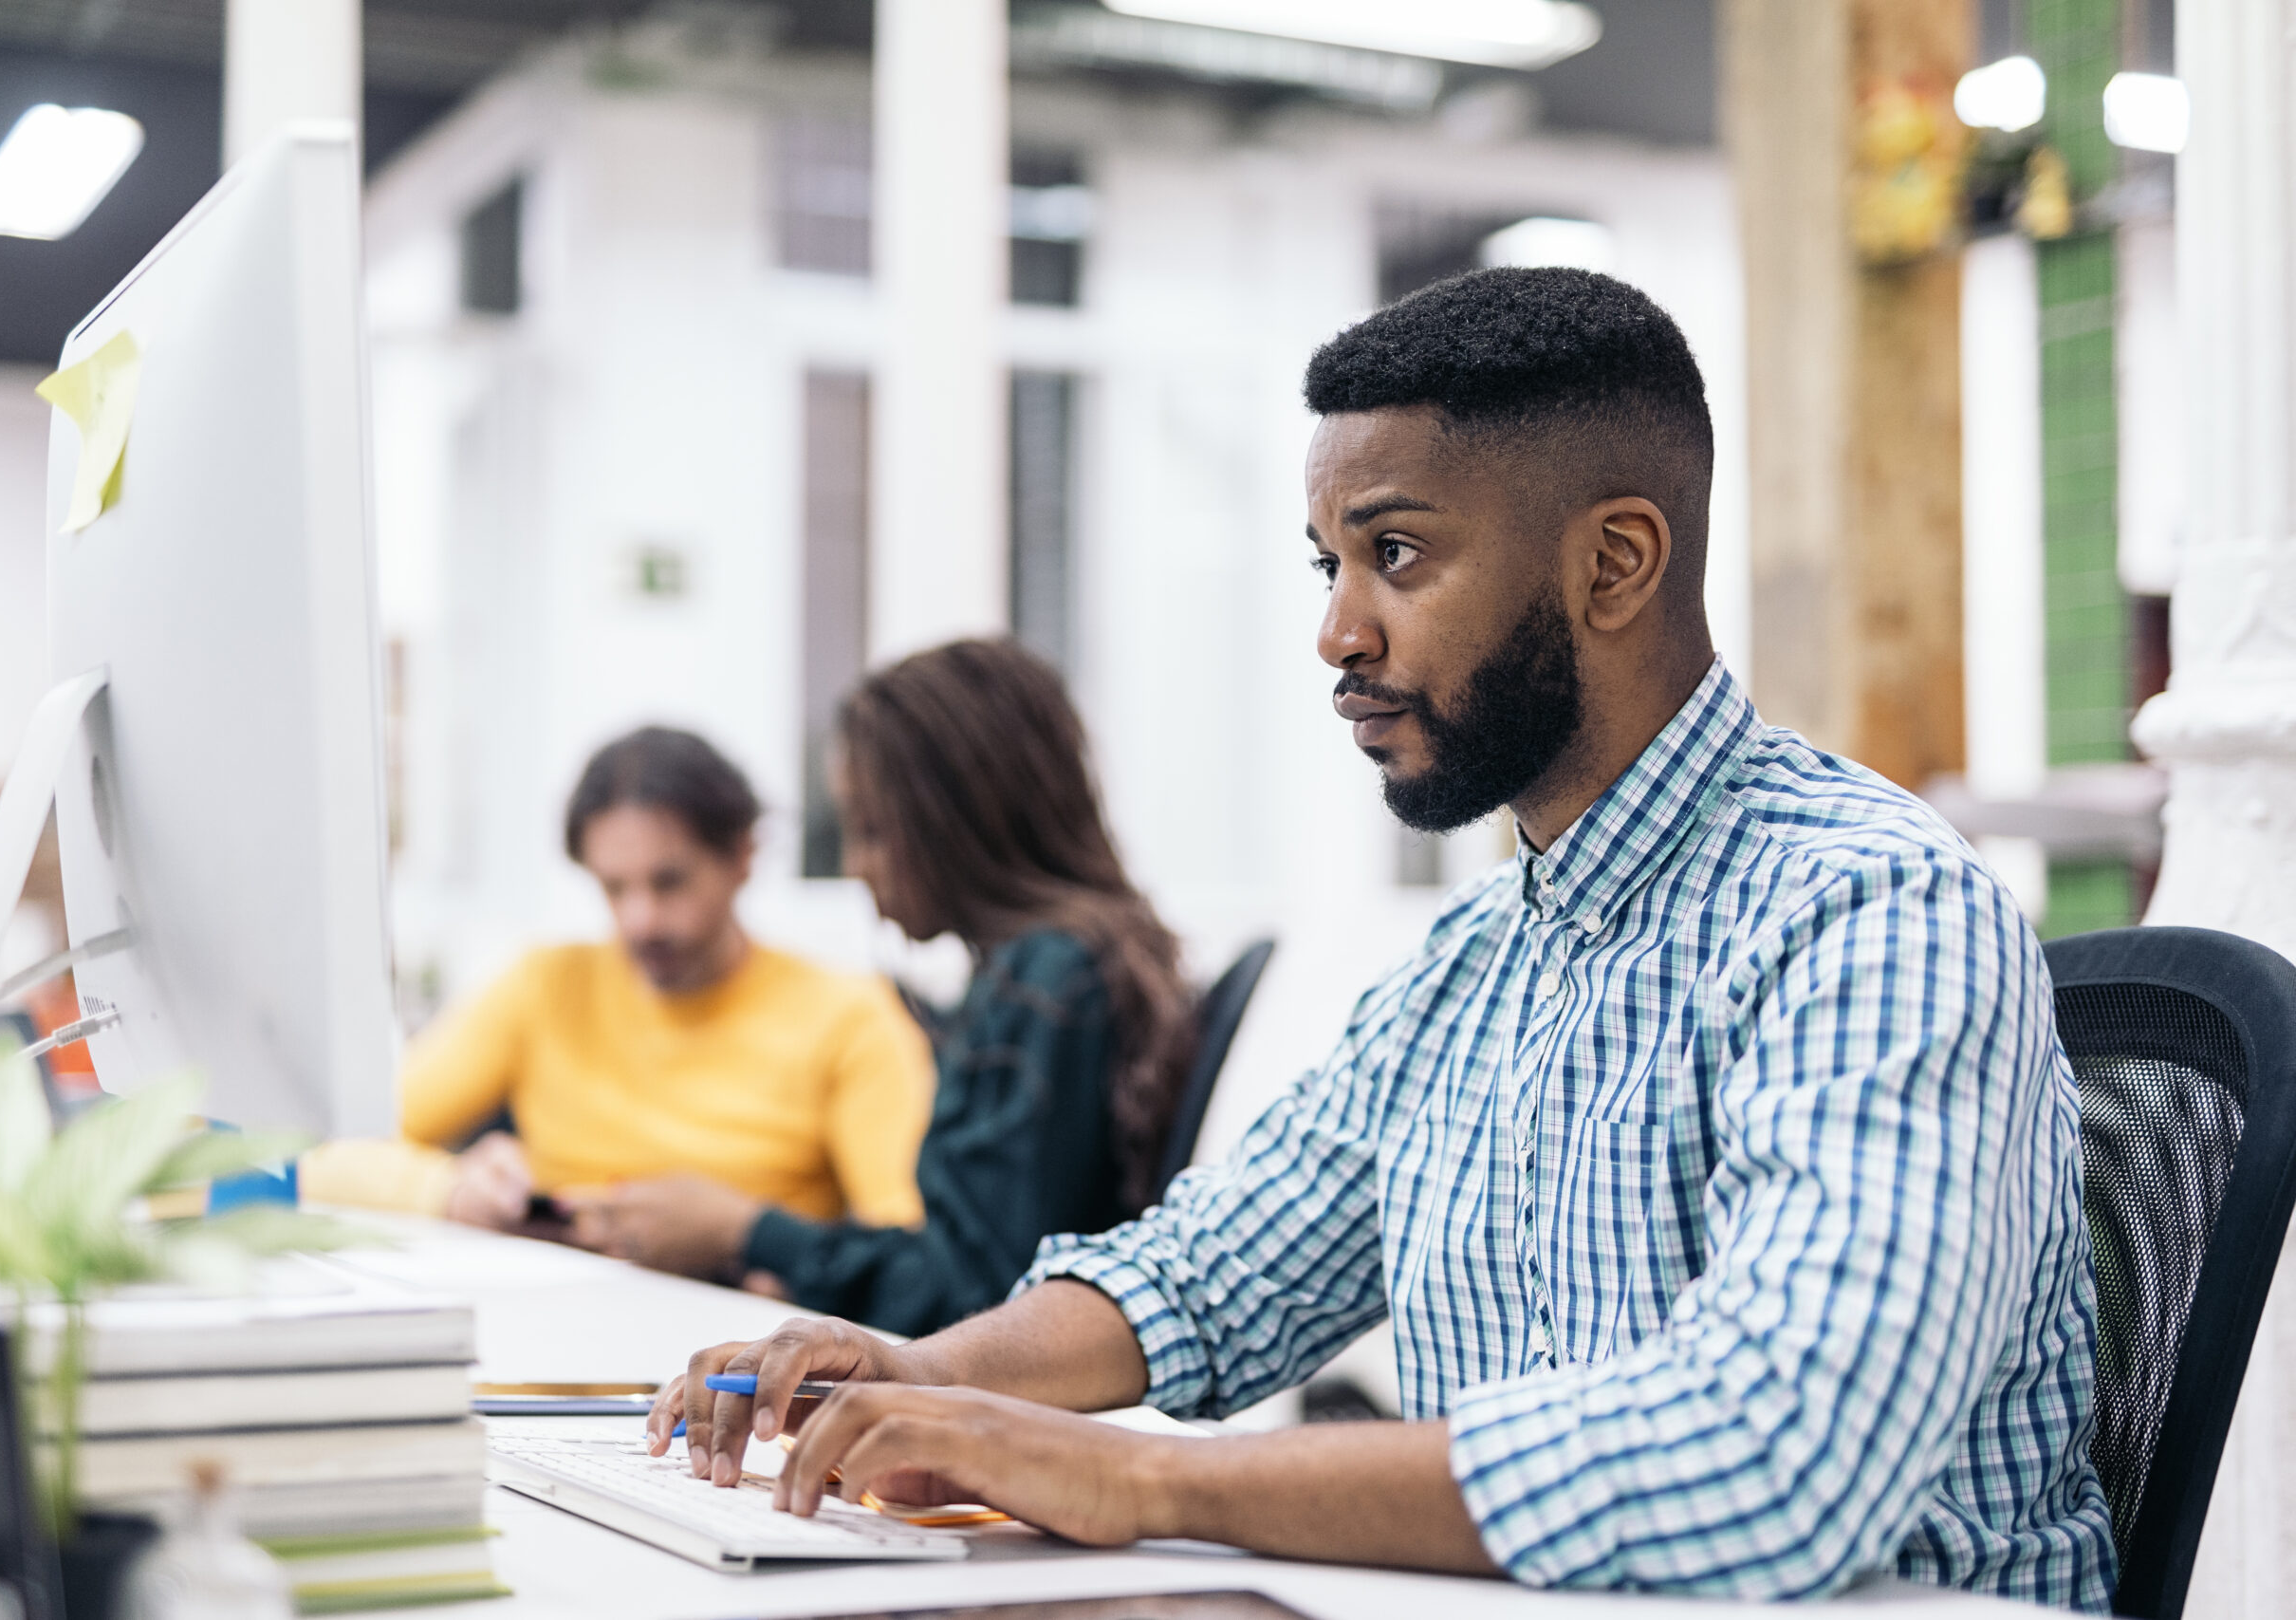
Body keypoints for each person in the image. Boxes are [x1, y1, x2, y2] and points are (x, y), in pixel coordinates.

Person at [652, 269, 2115, 1610]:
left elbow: (1775, 1450)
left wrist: (1141, 1476)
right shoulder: (1474, 961)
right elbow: (1219, 1265)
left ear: (1614, 565)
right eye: (1327, 564)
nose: (1338, 632)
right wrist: (923, 1370)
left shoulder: (1874, 910)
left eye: (1396, 554)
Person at [563, 640, 1198, 1337]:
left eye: (870, 829)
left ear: (959, 820)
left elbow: (973, 1298)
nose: (857, 865)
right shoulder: (1064, 967)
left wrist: (746, 1230)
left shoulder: (1049, 982)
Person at [302, 727, 931, 1238]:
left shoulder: (848, 1015)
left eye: (669, 881)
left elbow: (906, 1246)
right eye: (613, 887)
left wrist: (762, 1250)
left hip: (738, 1352)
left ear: (742, 856)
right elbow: (332, 1145)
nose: (640, 920)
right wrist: (450, 1189)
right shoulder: (546, 984)